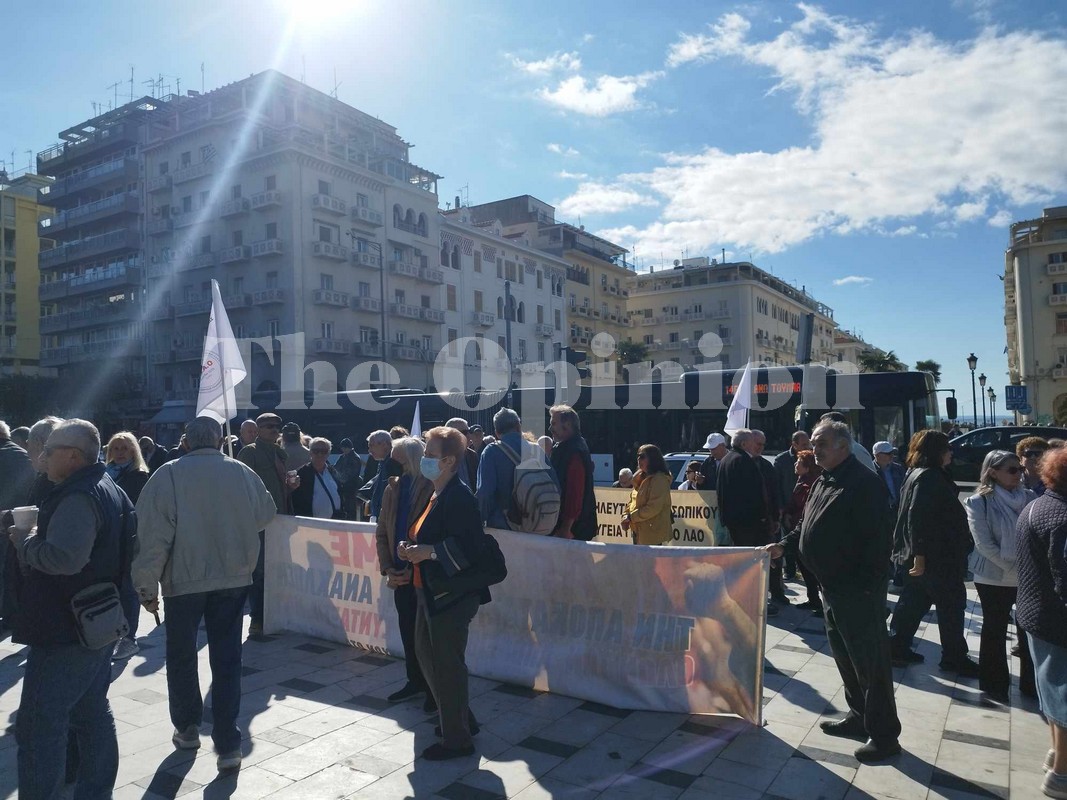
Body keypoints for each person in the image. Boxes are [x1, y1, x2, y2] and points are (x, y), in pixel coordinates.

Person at [133, 416, 276, 772]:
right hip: (232, 577)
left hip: (184, 580)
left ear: (185, 442)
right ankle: (228, 743)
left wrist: (146, 585)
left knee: (181, 656)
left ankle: (187, 728)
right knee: (227, 660)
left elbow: (152, 536)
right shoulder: (241, 471)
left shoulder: (168, 474)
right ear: (220, 441)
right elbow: (266, 513)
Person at [10, 418, 136, 797]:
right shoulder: (107, 486)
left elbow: (64, 559)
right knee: (91, 713)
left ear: (73, 457)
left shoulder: (79, 495)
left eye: (50, 451)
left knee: (39, 725)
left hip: (67, 628)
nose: (43, 457)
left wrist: (26, 541)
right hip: (98, 619)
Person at [765, 421, 900, 763]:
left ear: (843, 445)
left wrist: (867, 589)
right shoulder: (824, 479)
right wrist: (783, 546)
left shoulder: (863, 483)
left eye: (822, 443)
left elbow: (878, 541)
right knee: (845, 657)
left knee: (870, 664)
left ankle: (885, 736)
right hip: (831, 587)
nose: (815, 449)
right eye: (813, 443)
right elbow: (805, 524)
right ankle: (859, 717)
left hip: (857, 590)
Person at [397, 426, 491, 761]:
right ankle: (461, 721)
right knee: (427, 656)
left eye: (430, 454)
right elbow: (427, 536)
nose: (424, 459)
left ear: (449, 461)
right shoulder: (437, 492)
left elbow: (470, 547)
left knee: (447, 665)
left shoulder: (459, 496)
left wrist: (430, 552)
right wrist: (411, 547)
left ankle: (457, 739)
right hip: (429, 590)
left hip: (451, 595)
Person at [889, 430, 978, 675]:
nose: (951, 453)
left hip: (924, 555)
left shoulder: (915, 473)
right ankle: (954, 657)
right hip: (937, 556)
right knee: (951, 606)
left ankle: (897, 646)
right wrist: (920, 555)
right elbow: (918, 517)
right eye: (947, 448)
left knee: (913, 603)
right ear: (936, 452)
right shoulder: (930, 477)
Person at [1014, 446, 1067, 797]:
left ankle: (1055, 755)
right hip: (1057, 621)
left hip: (1035, 615)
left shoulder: (1036, 505)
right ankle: (1061, 775)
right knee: (1063, 698)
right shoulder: (1061, 517)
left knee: (1051, 693)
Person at [963, 450, 1036, 703]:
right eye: (1012, 470)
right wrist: (1012, 568)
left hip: (1026, 576)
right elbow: (983, 544)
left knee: (1028, 630)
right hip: (993, 576)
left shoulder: (1029, 497)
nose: (1018, 474)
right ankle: (994, 684)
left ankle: (1031, 684)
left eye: (1020, 469)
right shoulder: (979, 501)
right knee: (994, 628)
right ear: (993, 472)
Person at [375, 436, 434, 709]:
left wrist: (413, 567)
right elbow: (382, 532)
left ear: (410, 460)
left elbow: (431, 533)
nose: (390, 462)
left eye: (395, 457)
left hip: (421, 574)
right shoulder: (392, 488)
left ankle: (434, 690)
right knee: (407, 631)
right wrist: (388, 568)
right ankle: (415, 681)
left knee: (426, 637)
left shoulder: (431, 487)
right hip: (398, 574)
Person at [237, 413, 297, 635]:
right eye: (269, 426)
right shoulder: (250, 452)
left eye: (277, 426)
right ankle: (258, 618)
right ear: (259, 429)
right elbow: (243, 486)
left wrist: (290, 487)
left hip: (280, 519)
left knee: (279, 569)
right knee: (260, 570)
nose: (274, 429)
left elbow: (278, 487)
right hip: (260, 520)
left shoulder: (278, 452)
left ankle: (275, 614)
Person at [105, 432, 152, 661]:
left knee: (128, 589)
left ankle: (129, 638)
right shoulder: (105, 473)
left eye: (124, 448)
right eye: (115, 448)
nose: (119, 452)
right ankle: (113, 633)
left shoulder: (139, 476)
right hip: (107, 540)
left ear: (133, 450)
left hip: (129, 539)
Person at [0, 419, 35, 635]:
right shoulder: (25, 456)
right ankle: (12, 615)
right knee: (12, 571)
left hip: (4, 520)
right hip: (22, 521)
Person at [783, 449, 823, 615]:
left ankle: (823, 605)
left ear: (807, 467)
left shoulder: (811, 484)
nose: (795, 464)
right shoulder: (801, 480)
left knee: (812, 569)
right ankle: (813, 599)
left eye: (799, 462)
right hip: (797, 529)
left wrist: (791, 516)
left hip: (805, 531)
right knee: (805, 568)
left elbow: (805, 508)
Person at [548, 405, 597, 541]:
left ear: (567, 425)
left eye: (554, 423)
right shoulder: (572, 447)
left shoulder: (573, 451)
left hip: (571, 531)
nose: (550, 428)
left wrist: (566, 527)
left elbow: (574, 492)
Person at [753, 430, 788, 605]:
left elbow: (775, 492)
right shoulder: (741, 463)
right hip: (750, 522)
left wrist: (776, 516)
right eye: (757, 444)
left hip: (768, 521)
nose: (760, 448)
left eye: (763, 445)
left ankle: (777, 592)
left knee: (774, 558)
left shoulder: (766, 466)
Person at [476, 408, 526, 530]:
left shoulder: (491, 452)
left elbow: (484, 493)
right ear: (518, 427)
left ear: (497, 433)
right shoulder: (537, 450)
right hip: (539, 524)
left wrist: (479, 521)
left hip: (504, 525)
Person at [715, 429, 767, 547]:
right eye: (753, 442)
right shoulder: (743, 460)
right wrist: (761, 515)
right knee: (746, 553)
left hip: (729, 518)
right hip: (746, 520)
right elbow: (752, 491)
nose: (755, 446)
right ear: (744, 444)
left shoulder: (725, 460)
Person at [621, 445, 673, 545]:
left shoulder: (660, 479)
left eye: (642, 456)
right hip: (638, 531)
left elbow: (653, 507)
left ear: (652, 459)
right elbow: (632, 500)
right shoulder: (640, 477)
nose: (638, 459)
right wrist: (625, 516)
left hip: (652, 534)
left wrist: (631, 517)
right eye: (638, 456)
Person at [292, 438, 343, 519]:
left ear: (328, 453)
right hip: (310, 523)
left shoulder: (333, 471)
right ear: (310, 452)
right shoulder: (302, 473)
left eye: (324, 451)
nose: (319, 454)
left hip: (333, 522)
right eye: (316, 451)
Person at [365, 430, 398, 522]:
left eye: (372, 446)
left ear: (384, 444)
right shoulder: (383, 463)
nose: (369, 451)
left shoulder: (392, 464)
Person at [445, 418, 480, 489]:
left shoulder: (472, 455)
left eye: (469, 431)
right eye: (464, 433)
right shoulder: (441, 457)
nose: (469, 436)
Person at [333, 438, 363, 520]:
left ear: (349, 447)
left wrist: (340, 479)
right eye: (342, 448)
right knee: (344, 507)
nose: (343, 450)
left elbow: (351, 474)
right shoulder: (342, 457)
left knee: (351, 508)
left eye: (344, 448)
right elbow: (336, 468)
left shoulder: (355, 458)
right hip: (343, 487)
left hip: (352, 487)